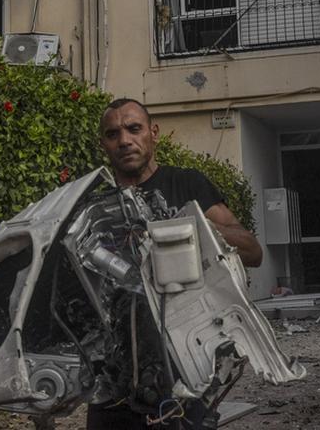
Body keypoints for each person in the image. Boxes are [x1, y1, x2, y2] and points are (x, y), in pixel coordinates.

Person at [87, 98, 262, 430]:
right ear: (103, 144)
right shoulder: (93, 206)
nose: (124, 140)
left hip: (182, 373)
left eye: (134, 129)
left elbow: (253, 251)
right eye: (113, 134)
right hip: (112, 380)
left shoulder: (187, 185)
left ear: (153, 133)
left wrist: (189, 225)